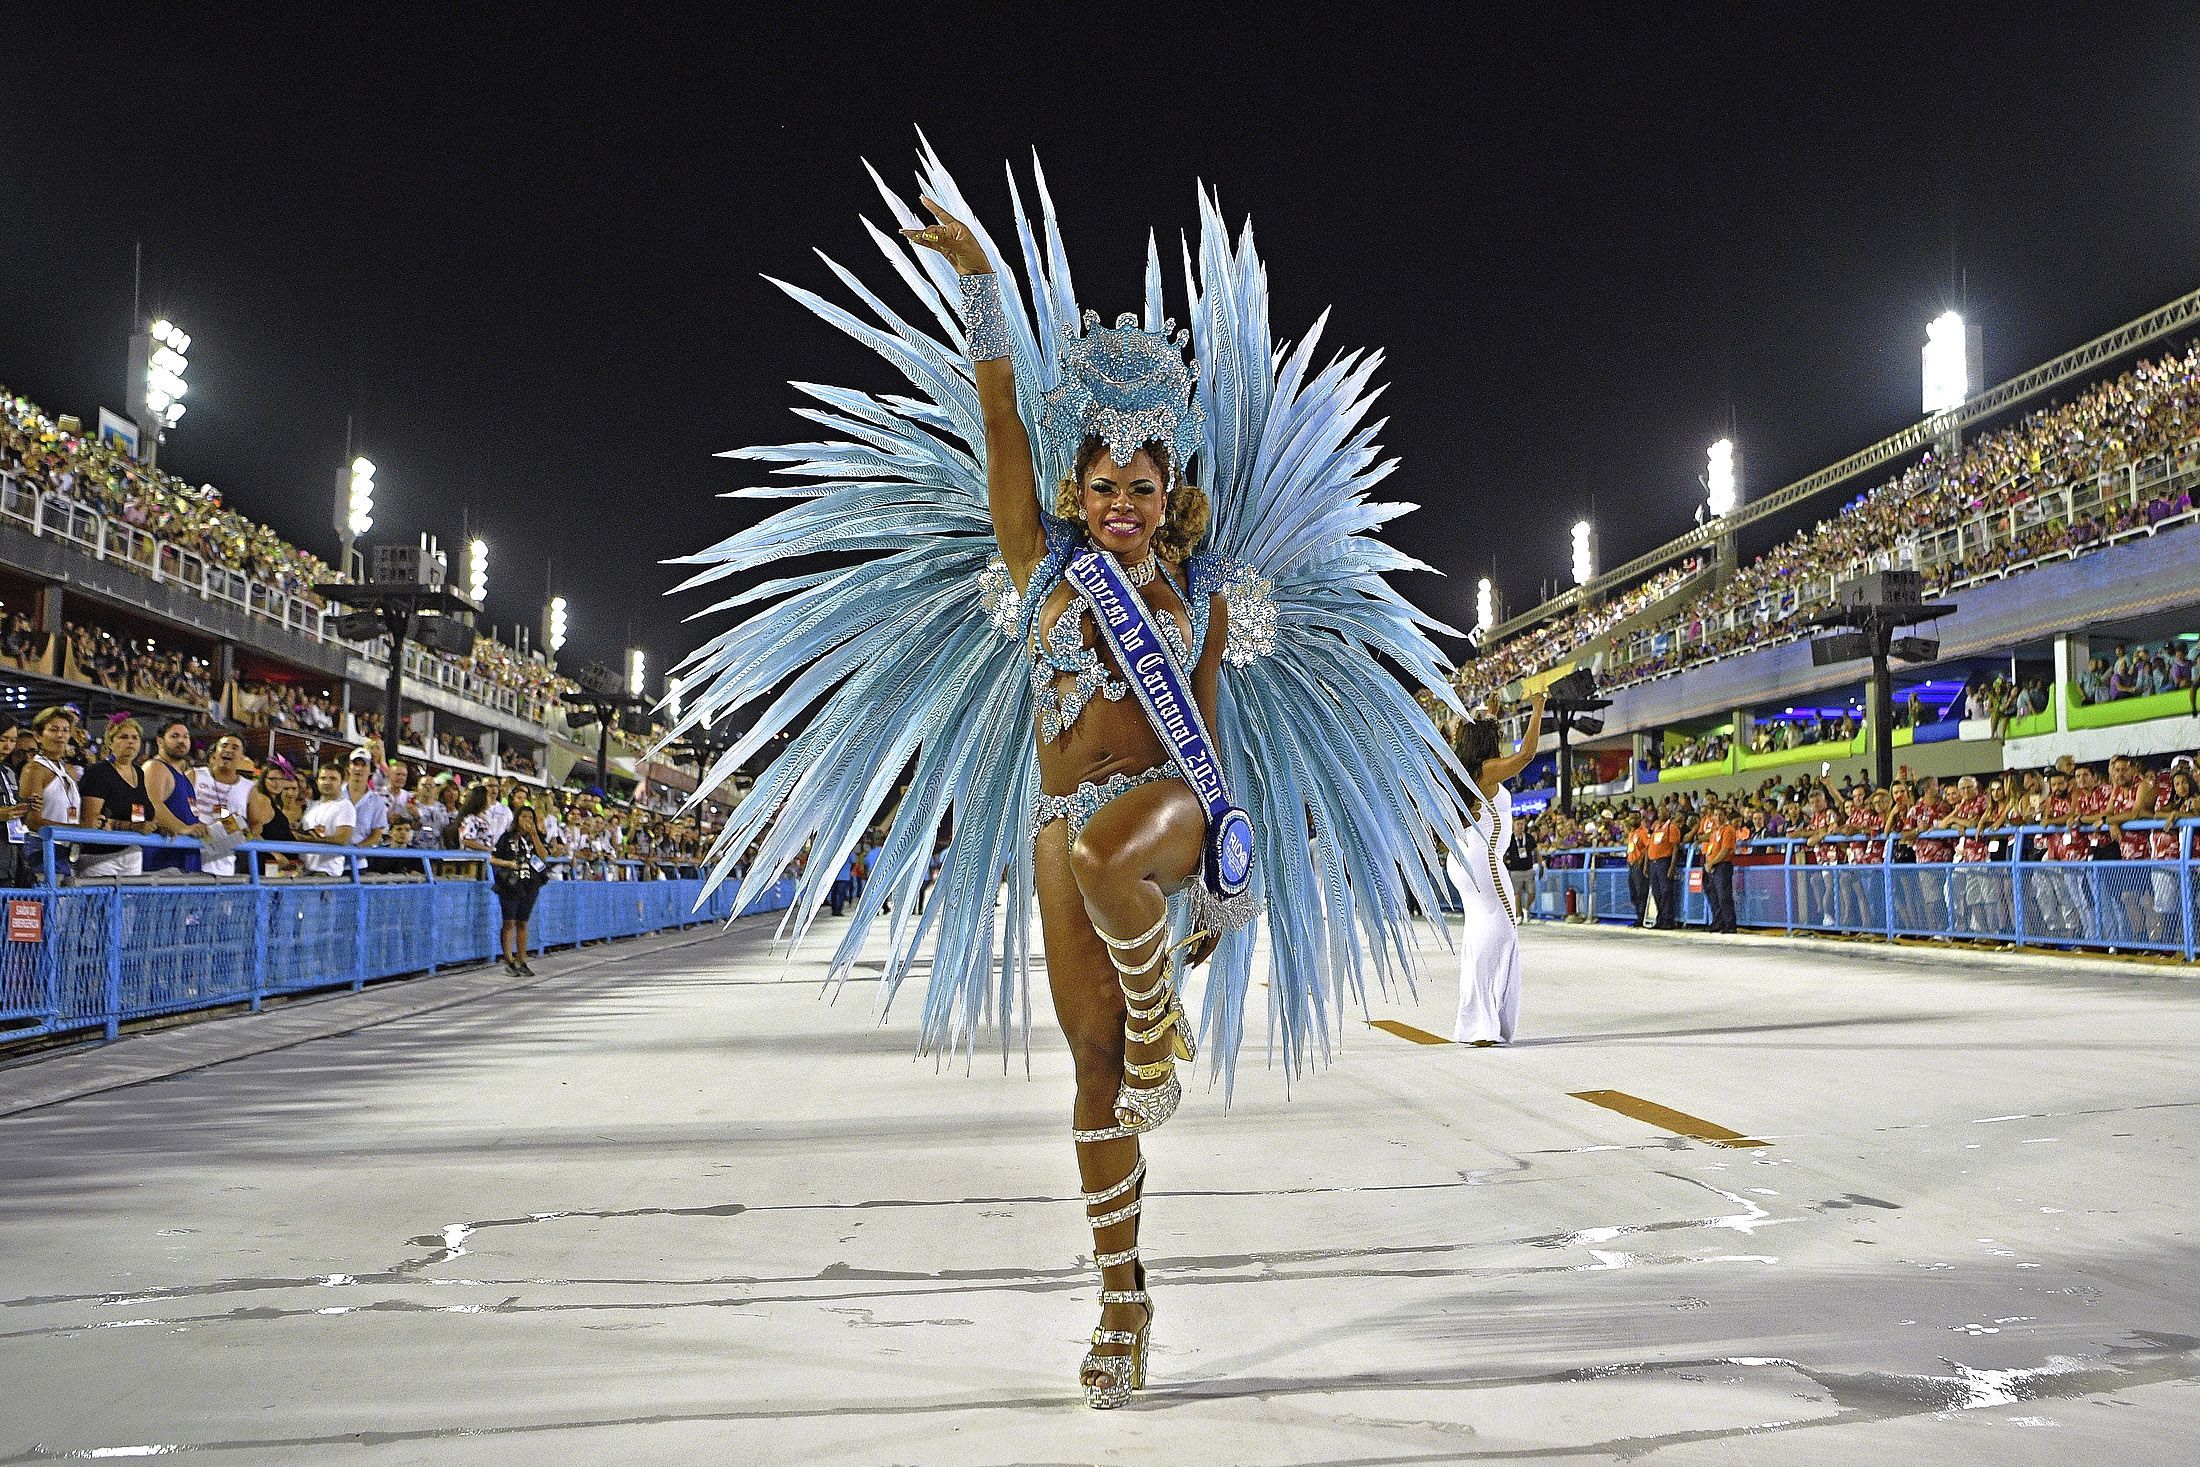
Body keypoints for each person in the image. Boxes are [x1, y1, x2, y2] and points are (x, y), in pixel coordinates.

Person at [659, 170, 1467, 1413]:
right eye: (1102, 488)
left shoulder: (1200, 595)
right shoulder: (1039, 567)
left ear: (1167, 489)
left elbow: (1206, 729)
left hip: (1165, 816)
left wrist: (1222, 859)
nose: (1122, 506)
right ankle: (1122, 1299)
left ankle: (1158, 1020)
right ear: (1075, 494)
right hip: (1058, 829)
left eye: (1141, 488)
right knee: (1092, 1077)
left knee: (1107, 867)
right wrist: (981, 286)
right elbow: (997, 416)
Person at [1443, 689, 1546, 1047]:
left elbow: (1480, 731)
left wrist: (1492, 711)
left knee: (1479, 937)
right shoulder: (1487, 772)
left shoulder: (1465, 770)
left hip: (1464, 860)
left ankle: (1473, 1022)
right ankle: (1482, 1025)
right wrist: (1537, 710)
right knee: (1502, 934)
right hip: (1484, 861)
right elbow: (1527, 755)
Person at [76, 717, 156, 878]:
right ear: (110, 743)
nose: (130, 742)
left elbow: (147, 812)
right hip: (100, 857)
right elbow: (90, 821)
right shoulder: (99, 772)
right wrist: (131, 827)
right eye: (123, 737)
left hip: (132, 853)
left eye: (135, 738)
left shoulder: (139, 773)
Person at [488, 802, 552, 976]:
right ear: (517, 819)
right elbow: (493, 859)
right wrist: (509, 864)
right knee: (509, 921)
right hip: (510, 883)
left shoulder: (536, 837)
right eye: (524, 817)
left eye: (530, 817)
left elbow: (544, 856)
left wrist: (535, 835)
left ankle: (522, 959)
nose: (527, 820)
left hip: (530, 883)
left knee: (523, 922)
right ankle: (509, 960)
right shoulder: (507, 837)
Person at [140, 718, 206, 874]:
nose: (182, 741)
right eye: (175, 736)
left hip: (183, 859)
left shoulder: (182, 775)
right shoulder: (155, 767)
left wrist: (201, 828)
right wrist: (184, 828)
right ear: (160, 741)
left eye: (185, 737)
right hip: (162, 862)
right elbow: (153, 805)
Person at [191, 734, 254, 876]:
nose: (228, 750)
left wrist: (225, 829)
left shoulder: (249, 788)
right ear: (214, 754)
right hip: (189, 860)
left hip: (223, 868)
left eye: (235, 747)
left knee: (240, 822)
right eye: (224, 746)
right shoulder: (194, 775)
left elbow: (254, 828)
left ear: (242, 758)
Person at [297, 764, 357, 878]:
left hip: (327, 872)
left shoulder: (345, 806)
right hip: (303, 869)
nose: (327, 782)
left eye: (333, 779)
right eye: (323, 778)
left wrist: (310, 839)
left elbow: (343, 839)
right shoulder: (312, 806)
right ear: (317, 781)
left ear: (342, 782)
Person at [1645, 800, 1683, 928]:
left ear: (1668, 812)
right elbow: (1649, 846)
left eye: (1663, 811)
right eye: (1659, 811)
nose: (1661, 813)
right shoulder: (1656, 827)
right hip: (1653, 863)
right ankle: (1660, 918)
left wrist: (1672, 866)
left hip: (1664, 862)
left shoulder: (1672, 827)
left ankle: (1668, 919)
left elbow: (1675, 847)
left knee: (1666, 891)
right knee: (1656, 892)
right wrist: (1646, 865)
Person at [1623, 810, 1652, 927]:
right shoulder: (1631, 833)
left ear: (1640, 819)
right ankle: (1638, 915)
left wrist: (1642, 861)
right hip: (1631, 865)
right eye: (1631, 818)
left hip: (1638, 865)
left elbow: (1648, 846)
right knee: (1633, 892)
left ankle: (1641, 917)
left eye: (1635, 818)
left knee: (1641, 892)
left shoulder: (1643, 832)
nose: (1633, 820)